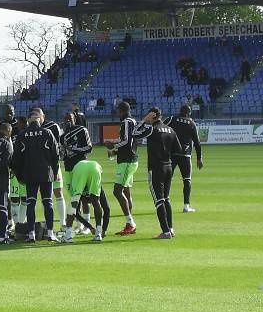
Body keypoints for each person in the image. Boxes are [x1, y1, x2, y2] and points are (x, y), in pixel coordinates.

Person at [133, 107, 183, 239]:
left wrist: (145, 120)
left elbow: (134, 132)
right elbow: (178, 149)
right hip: (168, 167)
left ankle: (165, 231)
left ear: (153, 115)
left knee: (159, 200)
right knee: (166, 199)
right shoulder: (170, 130)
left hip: (156, 168)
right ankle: (170, 229)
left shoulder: (151, 129)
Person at [12, 111, 59, 243]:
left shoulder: (22, 135)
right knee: (47, 203)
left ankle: (31, 234)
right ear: (40, 120)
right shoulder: (47, 133)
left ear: (28, 121)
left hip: (30, 174)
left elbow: (16, 159)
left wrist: (20, 176)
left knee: (30, 203)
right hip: (46, 173)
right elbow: (56, 154)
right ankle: (50, 233)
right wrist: (54, 172)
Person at [164, 105, 204, 213]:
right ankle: (186, 206)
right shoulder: (191, 123)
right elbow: (197, 142)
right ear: (189, 112)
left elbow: (160, 128)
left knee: (167, 179)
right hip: (185, 155)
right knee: (187, 180)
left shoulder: (172, 119)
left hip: (172, 154)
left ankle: (164, 202)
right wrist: (199, 158)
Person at [107, 102, 139, 236]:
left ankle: (131, 223)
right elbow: (128, 142)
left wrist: (113, 145)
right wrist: (114, 152)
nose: (118, 114)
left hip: (127, 161)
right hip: (128, 159)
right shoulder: (132, 122)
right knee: (126, 191)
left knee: (117, 190)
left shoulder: (127, 122)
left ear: (122, 111)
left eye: (118, 111)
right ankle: (129, 224)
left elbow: (126, 141)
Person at [60, 111, 92, 236]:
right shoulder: (62, 137)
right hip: (68, 168)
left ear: (75, 119)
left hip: (81, 167)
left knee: (84, 197)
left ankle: (87, 225)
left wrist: (73, 149)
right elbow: (63, 155)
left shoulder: (82, 130)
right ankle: (79, 224)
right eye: (66, 119)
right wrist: (62, 152)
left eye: (70, 118)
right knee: (74, 197)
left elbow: (89, 148)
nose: (68, 121)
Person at [34, 108, 66, 232]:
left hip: (52, 165)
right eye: (35, 116)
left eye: (38, 116)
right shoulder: (32, 129)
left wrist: (56, 167)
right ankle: (30, 226)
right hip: (39, 168)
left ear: (43, 116)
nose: (37, 119)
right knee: (39, 197)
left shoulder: (53, 126)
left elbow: (58, 147)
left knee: (58, 192)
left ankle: (63, 224)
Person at [62, 160, 105, 242]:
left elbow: (75, 211)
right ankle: (98, 234)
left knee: (74, 202)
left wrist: (90, 227)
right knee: (96, 201)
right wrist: (91, 227)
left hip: (80, 169)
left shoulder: (70, 179)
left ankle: (68, 236)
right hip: (96, 167)